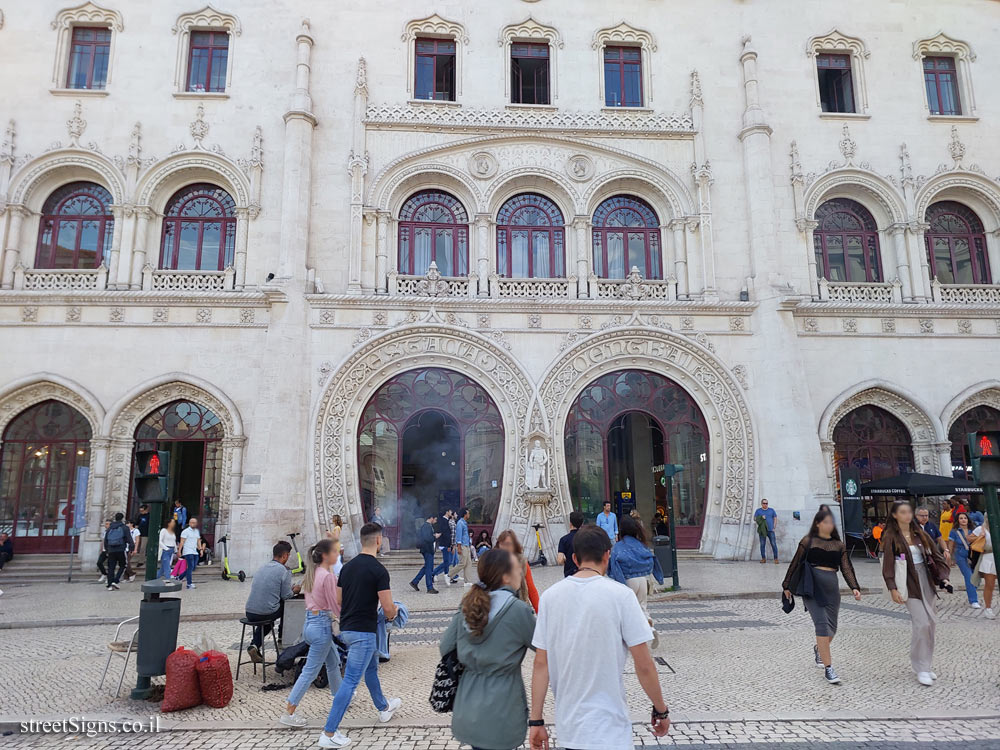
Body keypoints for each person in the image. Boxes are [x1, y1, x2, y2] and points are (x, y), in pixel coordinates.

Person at [529, 525, 670, 750]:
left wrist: (536, 721)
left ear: (574, 558)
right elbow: (644, 664)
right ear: (607, 555)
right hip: (611, 729)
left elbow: (541, 663)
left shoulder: (550, 598)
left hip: (571, 729)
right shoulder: (622, 596)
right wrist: (660, 709)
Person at [440, 548, 536, 750]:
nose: (521, 572)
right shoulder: (518, 610)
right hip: (502, 711)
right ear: (506, 576)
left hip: (468, 705)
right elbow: (542, 646)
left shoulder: (468, 604)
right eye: (517, 568)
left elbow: (446, 647)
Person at [319, 523, 401, 748]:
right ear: (378, 541)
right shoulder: (378, 570)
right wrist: (395, 612)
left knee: (372, 667)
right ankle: (329, 733)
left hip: (347, 628)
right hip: (363, 632)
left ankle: (383, 708)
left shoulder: (347, 567)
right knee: (351, 681)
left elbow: (338, 600)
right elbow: (387, 608)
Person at [781, 508, 862, 684]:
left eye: (831, 522)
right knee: (822, 626)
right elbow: (795, 563)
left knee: (832, 628)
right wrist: (786, 585)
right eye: (825, 522)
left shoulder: (839, 545)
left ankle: (819, 648)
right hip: (812, 587)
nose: (828, 525)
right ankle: (829, 668)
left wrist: (854, 587)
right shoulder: (808, 541)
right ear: (817, 524)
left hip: (832, 588)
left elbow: (846, 567)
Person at [881, 500, 949, 686]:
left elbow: (936, 557)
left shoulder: (921, 533)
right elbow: (887, 565)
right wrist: (892, 587)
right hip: (908, 583)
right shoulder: (891, 536)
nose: (907, 515)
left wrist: (944, 577)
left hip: (926, 581)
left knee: (931, 625)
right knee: (922, 624)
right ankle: (920, 666)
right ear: (895, 515)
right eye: (903, 512)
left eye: (909, 512)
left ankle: (924, 664)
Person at [279, 538, 344, 727]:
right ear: (325, 555)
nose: (337, 555)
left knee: (333, 662)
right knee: (309, 672)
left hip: (310, 623)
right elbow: (335, 604)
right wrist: (346, 620)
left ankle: (340, 698)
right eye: (334, 552)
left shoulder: (313, 573)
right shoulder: (328, 576)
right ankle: (289, 711)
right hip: (322, 626)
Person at [609, 516, 665, 650]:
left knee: (625, 610)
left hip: (628, 581)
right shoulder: (642, 545)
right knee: (642, 607)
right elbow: (653, 560)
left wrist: (620, 583)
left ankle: (626, 640)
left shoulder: (618, 547)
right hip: (643, 580)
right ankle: (650, 628)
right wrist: (659, 578)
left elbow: (614, 567)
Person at [245, 540, 300, 662]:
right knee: (287, 606)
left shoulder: (262, 567)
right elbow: (286, 596)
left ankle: (254, 645)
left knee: (268, 622)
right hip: (266, 612)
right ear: (285, 555)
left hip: (250, 611)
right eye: (288, 556)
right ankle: (283, 639)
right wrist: (295, 590)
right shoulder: (284, 570)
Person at [496, 530, 539, 613]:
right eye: (502, 544)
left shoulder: (522, 562)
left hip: (520, 605)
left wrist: (540, 612)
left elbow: (531, 588)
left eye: (508, 544)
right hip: (499, 607)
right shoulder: (493, 561)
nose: (505, 547)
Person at [948, 511, 980, 609]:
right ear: (958, 520)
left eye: (965, 518)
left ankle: (972, 590)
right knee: (969, 577)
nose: (963, 520)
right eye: (961, 518)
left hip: (973, 556)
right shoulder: (954, 531)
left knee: (977, 578)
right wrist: (950, 557)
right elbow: (951, 545)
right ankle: (973, 600)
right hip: (961, 556)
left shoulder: (973, 530)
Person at [971, 518, 996, 619]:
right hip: (988, 556)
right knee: (990, 584)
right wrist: (980, 536)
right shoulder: (981, 529)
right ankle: (988, 608)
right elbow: (969, 538)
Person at [410, 514, 440, 594]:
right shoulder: (427, 526)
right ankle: (429, 587)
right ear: (431, 518)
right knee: (429, 569)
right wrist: (435, 537)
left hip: (427, 549)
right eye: (435, 519)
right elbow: (427, 538)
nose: (435, 521)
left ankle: (415, 582)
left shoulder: (426, 526)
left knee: (427, 567)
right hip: (427, 549)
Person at [103, 512, 133, 591]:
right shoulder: (124, 527)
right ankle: (116, 580)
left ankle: (109, 584)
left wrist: (107, 550)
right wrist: (131, 548)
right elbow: (129, 539)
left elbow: (105, 540)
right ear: (122, 518)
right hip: (120, 549)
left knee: (111, 567)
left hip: (111, 550)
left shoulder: (110, 528)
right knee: (123, 565)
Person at [556, 511, 584, 577]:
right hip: (584, 572)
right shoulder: (587, 538)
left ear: (570, 524)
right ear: (582, 524)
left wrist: (566, 559)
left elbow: (560, 560)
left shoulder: (564, 539)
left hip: (570, 573)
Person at [450, 508, 473, 585]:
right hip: (462, 546)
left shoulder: (464, 523)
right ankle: (449, 575)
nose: (469, 515)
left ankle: (467, 581)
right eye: (468, 513)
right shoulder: (460, 523)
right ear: (465, 514)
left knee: (468, 563)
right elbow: (458, 536)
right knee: (462, 563)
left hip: (466, 545)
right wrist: (459, 547)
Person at [432, 510, 454, 587]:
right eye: (450, 511)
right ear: (447, 512)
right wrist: (448, 545)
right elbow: (446, 534)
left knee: (448, 561)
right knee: (447, 561)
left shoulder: (447, 520)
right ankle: (439, 574)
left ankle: (435, 573)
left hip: (447, 544)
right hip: (445, 544)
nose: (451, 512)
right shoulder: (443, 521)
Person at [754, 498, 779, 564]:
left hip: (771, 530)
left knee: (773, 544)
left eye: (766, 503)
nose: (765, 505)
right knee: (762, 544)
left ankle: (776, 559)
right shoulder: (758, 511)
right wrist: (761, 517)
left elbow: (775, 518)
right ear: (761, 504)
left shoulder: (771, 510)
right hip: (762, 530)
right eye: (764, 503)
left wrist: (774, 527)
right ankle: (763, 558)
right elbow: (755, 518)